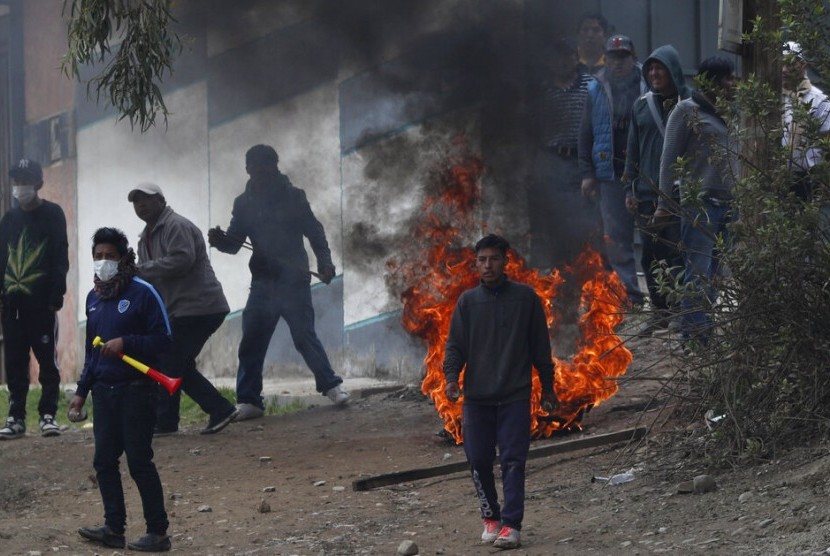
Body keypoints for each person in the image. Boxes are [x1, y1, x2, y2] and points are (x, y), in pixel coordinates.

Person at [208, 144, 349, 420]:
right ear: (247, 168)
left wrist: (326, 263)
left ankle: (331, 386)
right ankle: (250, 401)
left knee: (304, 336)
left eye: (263, 165)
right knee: (252, 341)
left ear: (274, 167)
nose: (257, 171)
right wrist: (220, 242)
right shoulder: (243, 203)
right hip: (262, 282)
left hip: (294, 281)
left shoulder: (293, 197)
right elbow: (235, 244)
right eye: (252, 165)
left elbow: (315, 232)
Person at [442, 234, 559, 550]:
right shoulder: (468, 302)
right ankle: (490, 517)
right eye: (482, 259)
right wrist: (451, 379)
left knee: (512, 460)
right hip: (477, 399)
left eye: (494, 258)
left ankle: (511, 524)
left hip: (514, 396)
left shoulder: (526, 299)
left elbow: (540, 349)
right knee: (478, 459)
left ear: (506, 261)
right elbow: (455, 347)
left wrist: (548, 389)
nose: (487, 265)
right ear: (476, 263)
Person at [69, 227, 172, 552]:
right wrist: (81, 391)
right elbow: (92, 352)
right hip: (104, 392)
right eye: (98, 257)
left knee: (139, 461)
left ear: (124, 258)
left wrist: (127, 342)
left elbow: (164, 340)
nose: (103, 262)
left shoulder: (143, 292)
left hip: (137, 391)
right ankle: (114, 529)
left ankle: (158, 533)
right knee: (104, 461)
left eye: (109, 256)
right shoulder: (93, 299)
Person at [129, 183, 239, 436]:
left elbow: (182, 260)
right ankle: (168, 421)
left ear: (161, 200)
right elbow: (148, 278)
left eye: (146, 199)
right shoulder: (146, 237)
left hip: (200, 307)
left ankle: (218, 409)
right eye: (136, 202)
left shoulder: (176, 226)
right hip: (180, 310)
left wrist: (140, 270)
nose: (141, 205)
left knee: (170, 362)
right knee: (175, 363)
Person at [655, 56, 738, 343]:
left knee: (715, 274)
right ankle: (696, 338)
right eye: (727, 79)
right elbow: (667, 161)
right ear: (709, 82)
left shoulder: (730, 112)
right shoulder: (686, 111)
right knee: (698, 273)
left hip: (728, 206)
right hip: (700, 205)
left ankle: (701, 330)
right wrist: (664, 204)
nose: (733, 84)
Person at [623, 45, 692, 335]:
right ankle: (660, 312)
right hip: (646, 195)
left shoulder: (689, 104)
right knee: (650, 254)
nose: (654, 73)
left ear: (672, 70)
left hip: (678, 195)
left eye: (660, 67)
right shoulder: (641, 105)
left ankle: (680, 311)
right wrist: (629, 188)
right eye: (650, 68)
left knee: (676, 252)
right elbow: (632, 151)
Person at [0, 158, 69, 440]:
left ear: (38, 184)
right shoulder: (9, 219)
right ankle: (16, 417)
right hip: (12, 305)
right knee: (15, 362)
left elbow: (59, 255)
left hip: (42, 304)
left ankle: (48, 415)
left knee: (46, 361)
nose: (20, 187)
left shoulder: (53, 214)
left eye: (25, 181)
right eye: (16, 181)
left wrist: (57, 294)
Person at [579, 34, 647, 306]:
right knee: (617, 238)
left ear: (633, 58)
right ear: (605, 59)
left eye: (623, 57)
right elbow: (585, 134)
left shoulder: (647, 84)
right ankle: (628, 295)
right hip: (611, 174)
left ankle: (664, 298)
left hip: (645, 175)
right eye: (613, 57)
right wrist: (588, 173)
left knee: (653, 236)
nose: (618, 63)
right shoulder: (595, 88)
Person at [528, 39, 599, 271]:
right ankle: (554, 275)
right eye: (558, 56)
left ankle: (577, 275)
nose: (564, 61)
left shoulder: (590, 85)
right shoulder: (541, 89)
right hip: (550, 160)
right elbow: (533, 129)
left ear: (575, 57)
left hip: (580, 162)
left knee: (579, 222)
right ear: (550, 61)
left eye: (568, 55)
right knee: (550, 220)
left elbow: (598, 126)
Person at [781, 41, 830, 203]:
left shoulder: (818, 100)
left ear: (803, 65)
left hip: (806, 179)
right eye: (781, 64)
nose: (784, 70)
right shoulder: (772, 98)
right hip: (773, 175)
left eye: (790, 64)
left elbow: (826, 143)